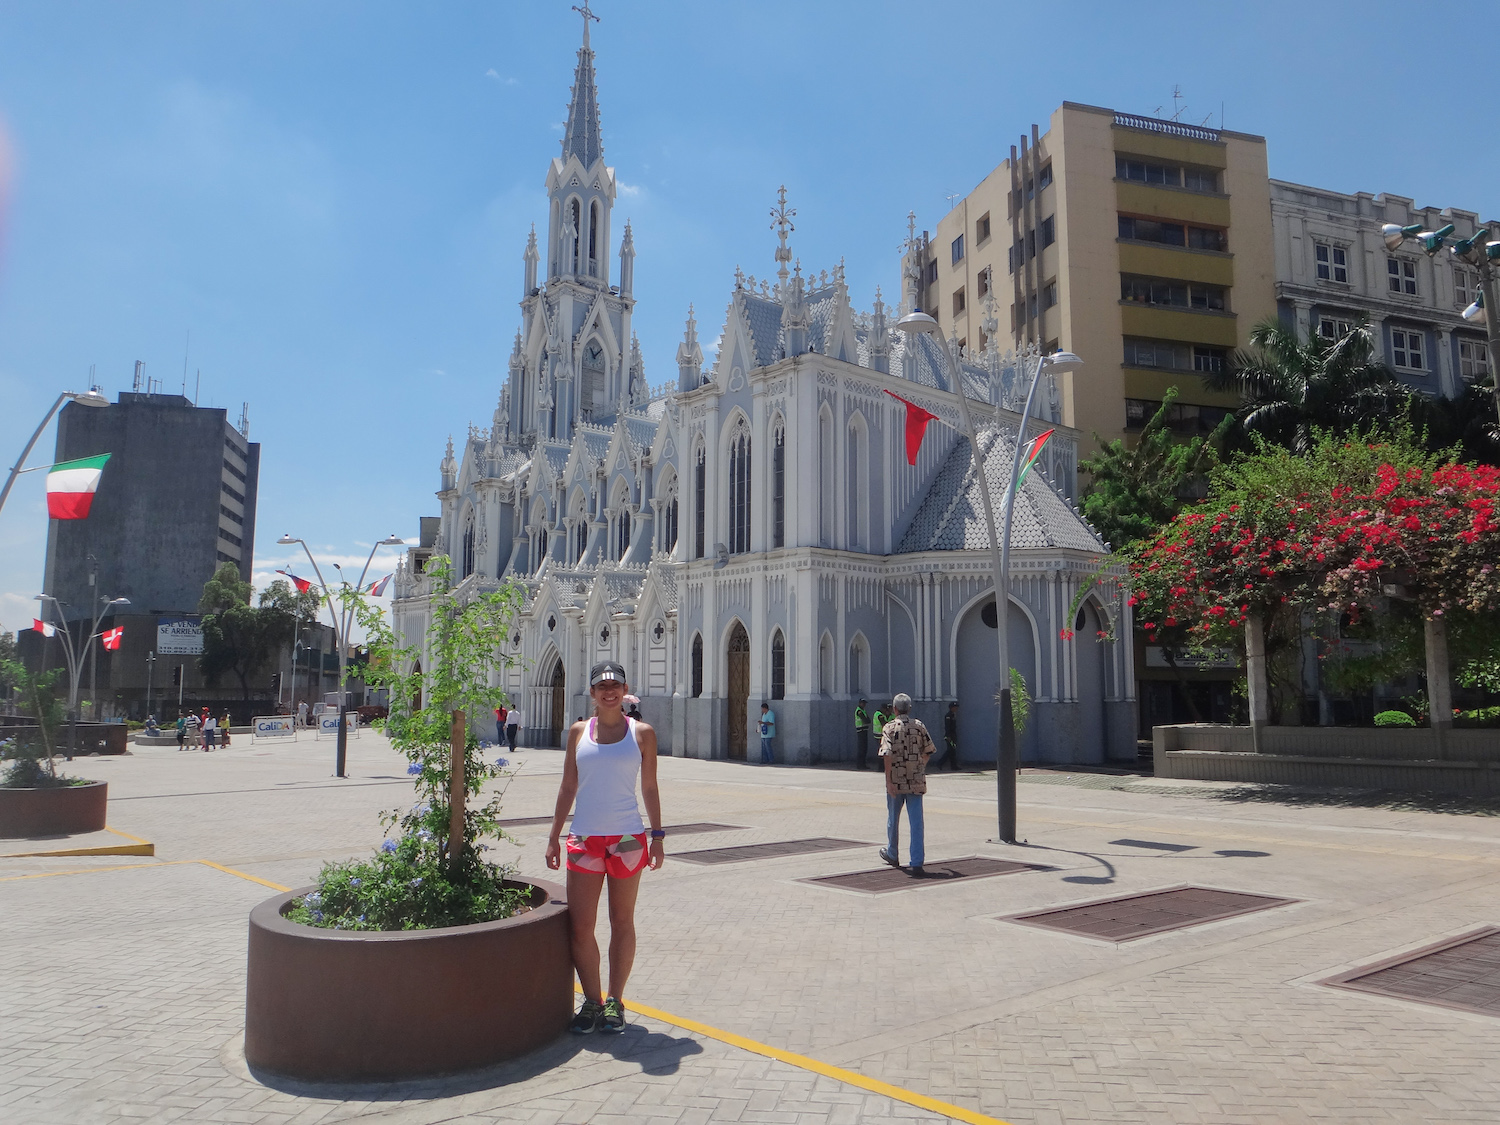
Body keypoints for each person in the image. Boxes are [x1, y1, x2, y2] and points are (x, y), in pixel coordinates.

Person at [546, 661, 664, 1035]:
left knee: (622, 922)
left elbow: (649, 787)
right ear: (592, 692)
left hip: (629, 839)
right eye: (601, 686)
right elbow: (568, 786)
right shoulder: (579, 732)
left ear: (624, 689)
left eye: (615, 685)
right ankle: (593, 1002)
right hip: (584, 839)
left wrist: (657, 835)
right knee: (581, 927)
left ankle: (615, 1001)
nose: (608, 691)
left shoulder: (642, 733)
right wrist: (553, 835)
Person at [878, 693, 936, 875]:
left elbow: (886, 753)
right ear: (909, 709)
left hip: (896, 781)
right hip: (916, 781)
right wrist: (919, 765)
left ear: (895, 709)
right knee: (916, 821)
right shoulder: (918, 726)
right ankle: (917, 861)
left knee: (893, 819)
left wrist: (888, 780)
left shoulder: (889, 728)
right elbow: (929, 750)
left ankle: (892, 853)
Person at [938, 701, 961, 771]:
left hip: (952, 735)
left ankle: (953, 766)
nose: (956, 709)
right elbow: (948, 727)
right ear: (951, 708)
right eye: (955, 708)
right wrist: (948, 736)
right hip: (949, 736)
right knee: (950, 751)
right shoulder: (948, 716)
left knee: (952, 751)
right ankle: (940, 763)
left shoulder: (953, 715)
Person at [854, 698, 870, 770]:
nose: (864, 705)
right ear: (860, 703)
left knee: (864, 748)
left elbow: (868, 720)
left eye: (865, 703)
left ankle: (863, 764)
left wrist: (867, 720)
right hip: (860, 731)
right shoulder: (859, 711)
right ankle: (860, 765)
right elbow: (865, 720)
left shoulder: (863, 711)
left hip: (864, 730)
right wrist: (867, 720)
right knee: (861, 749)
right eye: (863, 703)